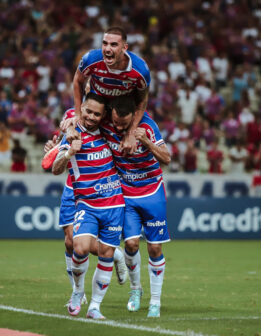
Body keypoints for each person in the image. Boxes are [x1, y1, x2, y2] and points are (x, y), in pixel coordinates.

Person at [43, 108, 128, 308]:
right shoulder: (72, 112)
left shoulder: (104, 113)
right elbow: (63, 137)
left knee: (80, 242)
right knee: (70, 242)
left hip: (99, 190)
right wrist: (55, 146)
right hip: (73, 186)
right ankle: (78, 292)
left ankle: (113, 255)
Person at [100, 95, 171, 318]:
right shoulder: (107, 124)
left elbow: (167, 158)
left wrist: (147, 143)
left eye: (123, 123)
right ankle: (135, 290)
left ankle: (156, 302)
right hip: (126, 193)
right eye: (115, 122)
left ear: (134, 116)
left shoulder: (148, 126)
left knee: (155, 248)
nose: (118, 126)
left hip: (152, 191)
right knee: (130, 244)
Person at [72, 26, 150, 154]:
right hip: (98, 107)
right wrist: (77, 114)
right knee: (71, 128)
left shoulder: (140, 70)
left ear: (125, 48)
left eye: (113, 45)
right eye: (105, 43)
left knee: (132, 146)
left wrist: (131, 131)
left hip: (122, 112)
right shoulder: (90, 59)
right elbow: (77, 80)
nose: (107, 49)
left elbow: (143, 99)